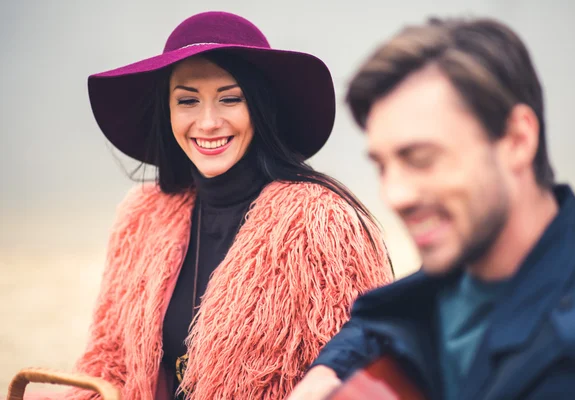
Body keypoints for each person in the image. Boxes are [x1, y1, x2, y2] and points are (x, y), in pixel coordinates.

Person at [16, 11, 395, 400]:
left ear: (260, 109)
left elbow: (363, 373)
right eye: (188, 100)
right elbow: (109, 362)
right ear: (167, 111)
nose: (208, 122)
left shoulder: (321, 223)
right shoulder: (143, 217)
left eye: (230, 98)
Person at [287, 16, 575, 400]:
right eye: (383, 166)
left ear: (518, 140)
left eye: (420, 158)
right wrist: (327, 369)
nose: (395, 195)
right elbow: (380, 319)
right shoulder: (456, 277)